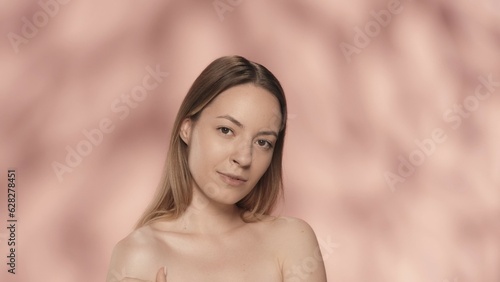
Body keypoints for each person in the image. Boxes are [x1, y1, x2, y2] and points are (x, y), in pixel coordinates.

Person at [106, 55, 327, 282]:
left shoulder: (291, 241)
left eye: (263, 142)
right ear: (187, 129)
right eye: (226, 130)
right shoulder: (139, 256)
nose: (243, 158)